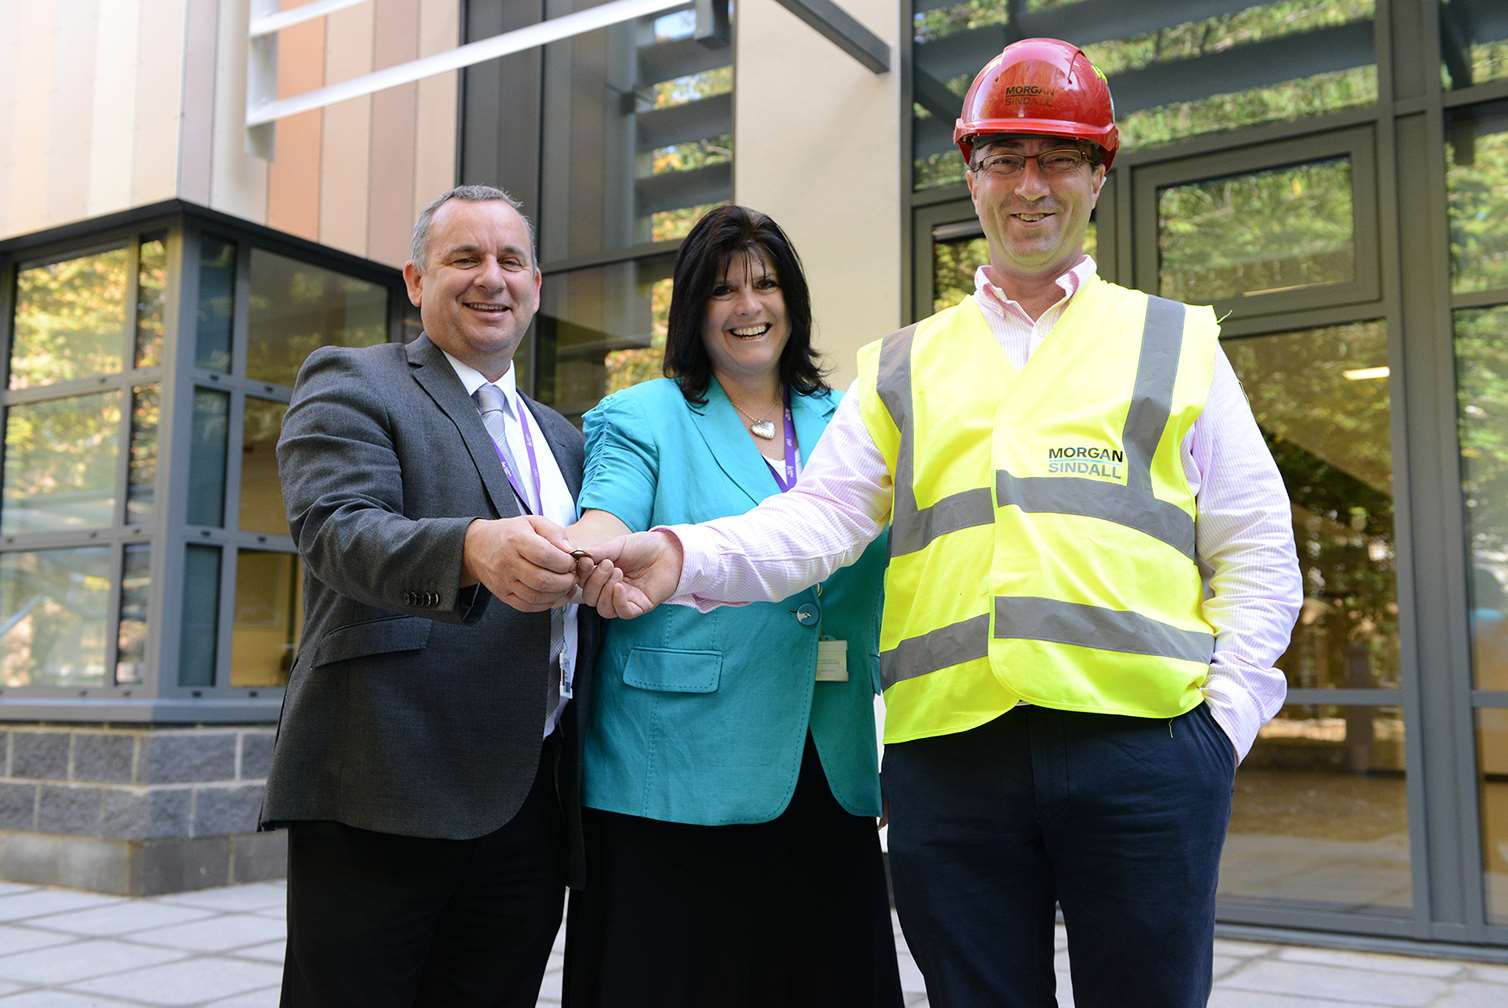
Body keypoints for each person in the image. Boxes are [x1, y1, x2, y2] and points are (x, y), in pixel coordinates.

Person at [576, 39, 1303, 1008]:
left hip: (1140, 754)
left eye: (1056, 157)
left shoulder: (1173, 342)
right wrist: (674, 554)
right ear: (969, 176)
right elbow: (817, 523)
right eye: (1004, 158)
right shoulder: (903, 364)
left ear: (1100, 171)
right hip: (949, 768)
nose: (1028, 185)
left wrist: (1219, 730)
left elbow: (1256, 549)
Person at [561, 205, 903, 1007]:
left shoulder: (854, 421)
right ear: (692, 309)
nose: (748, 306)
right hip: (677, 768)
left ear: (793, 299)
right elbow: (609, 510)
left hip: (828, 758)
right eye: (723, 290)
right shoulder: (642, 414)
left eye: (765, 284)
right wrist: (593, 547)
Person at [263, 184, 595, 1007]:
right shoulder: (355, 381)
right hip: (387, 784)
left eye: (510, 260)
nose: (492, 278)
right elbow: (337, 530)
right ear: (415, 281)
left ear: (536, 285)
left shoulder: (566, 437)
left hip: (533, 802)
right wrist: (469, 550)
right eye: (464, 258)